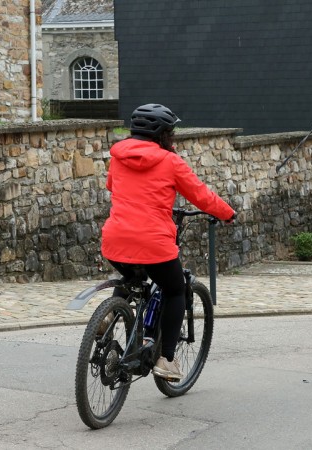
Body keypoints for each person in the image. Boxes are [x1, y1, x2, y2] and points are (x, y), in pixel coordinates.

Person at [101, 104, 236, 381]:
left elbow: (112, 187)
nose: (173, 138)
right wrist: (227, 213)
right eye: (171, 133)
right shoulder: (170, 162)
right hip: (153, 242)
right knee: (175, 289)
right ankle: (167, 359)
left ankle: (109, 317)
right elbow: (201, 196)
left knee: (130, 275)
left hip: (115, 238)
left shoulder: (117, 156)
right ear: (162, 134)